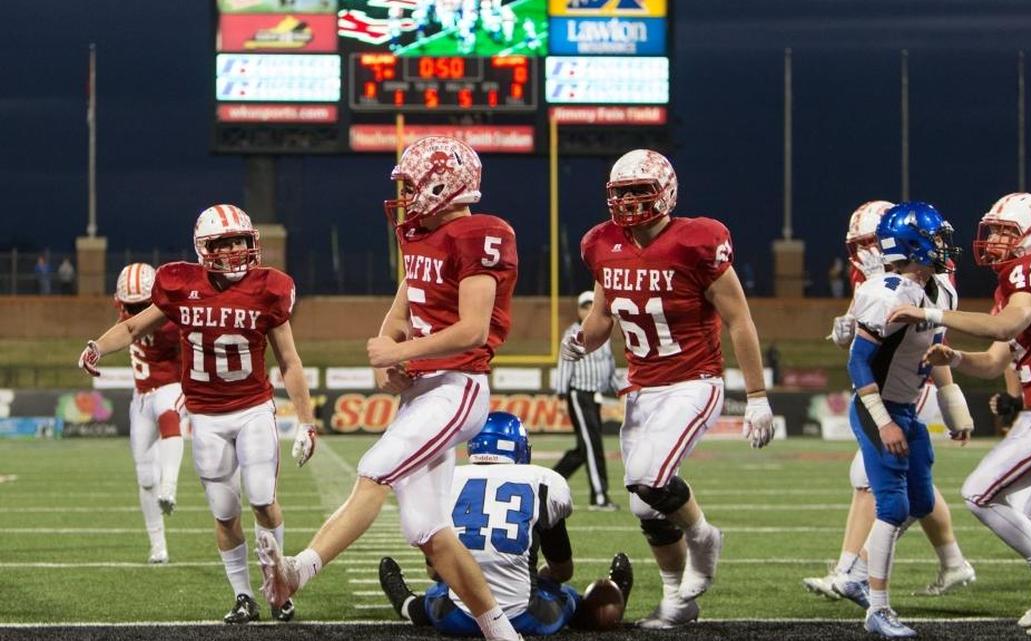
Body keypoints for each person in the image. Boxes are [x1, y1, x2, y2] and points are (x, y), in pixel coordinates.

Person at [256, 136, 525, 641]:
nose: (403, 195)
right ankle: (503, 634)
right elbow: (400, 315)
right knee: (427, 531)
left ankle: (299, 572)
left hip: (458, 386)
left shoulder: (480, 235)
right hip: (424, 388)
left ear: (442, 185)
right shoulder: (419, 236)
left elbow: (472, 329)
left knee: (375, 469)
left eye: (410, 184)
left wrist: (400, 353)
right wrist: (389, 353)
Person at [562, 149, 774, 629]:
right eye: (623, 193)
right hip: (641, 387)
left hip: (692, 381)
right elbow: (600, 319)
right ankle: (678, 600)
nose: (632, 202)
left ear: (667, 192)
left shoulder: (697, 241)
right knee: (644, 503)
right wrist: (581, 341)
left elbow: (739, 319)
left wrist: (757, 396)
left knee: (648, 476)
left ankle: (703, 536)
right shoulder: (601, 244)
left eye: (642, 190)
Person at [78, 204, 318, 624]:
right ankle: (244, 596)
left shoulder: (268, 288)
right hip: (205, 416)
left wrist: (306, 420)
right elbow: (134, 327)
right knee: (225, 512)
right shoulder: (180, 283)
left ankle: (278, 584)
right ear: (204, 248)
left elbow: (290, 361)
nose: (236, 250)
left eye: (242, 240)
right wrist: (98, 345)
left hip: (252, 410)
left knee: (262, 498)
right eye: (225, 243)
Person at [890, 192, 1031, 637]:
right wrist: (956, 359)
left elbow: (1007, 326)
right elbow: (994, 359)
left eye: (1007, 233)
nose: (996, 242)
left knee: (980, 494)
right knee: (1030, 513)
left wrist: (931, 313)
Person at [805, 201, 974, 608]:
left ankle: (854, 572)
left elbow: (936, 347)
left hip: (908, 391)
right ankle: (871, 573)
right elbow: (860, 349)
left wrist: (954, 406)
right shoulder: (879, 285)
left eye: (870, 241)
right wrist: (845, 330)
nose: (866, 251)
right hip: (882, 394)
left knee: (879, 484)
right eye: (861, 243)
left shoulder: (936, 283)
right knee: (896, 488)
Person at [377, 411, 634, 636]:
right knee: (567, 596)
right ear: (517, 447)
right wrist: (545, 577)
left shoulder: (446, 480)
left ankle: (408, 605)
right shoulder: (544, 482)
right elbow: (563, 570)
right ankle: (604, 606)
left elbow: (436, 571)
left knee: (438, 593)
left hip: (458, 619)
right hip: (524, 617)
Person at [112, 262, 186, 563]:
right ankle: (158, 545)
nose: (135, 311)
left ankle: (169, 483)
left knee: (169, 416)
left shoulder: (170, 320)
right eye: (131, 305)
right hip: (140, 396)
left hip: (170, 386)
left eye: (143, 305)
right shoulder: (123, 305)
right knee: (144, 477)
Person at [553, 289, 620, 511]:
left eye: (592, 305)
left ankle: (550, 481)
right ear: (578, 310)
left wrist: (618, 388)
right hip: (579, 393)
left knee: (585, 449)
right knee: (593, 447)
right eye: (584, 306)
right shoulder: (573, 332)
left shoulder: (603, 331)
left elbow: (608, 363)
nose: (588, 310)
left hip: (595, 395)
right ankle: (599, 497)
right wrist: (562, 395)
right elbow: (565, 365)